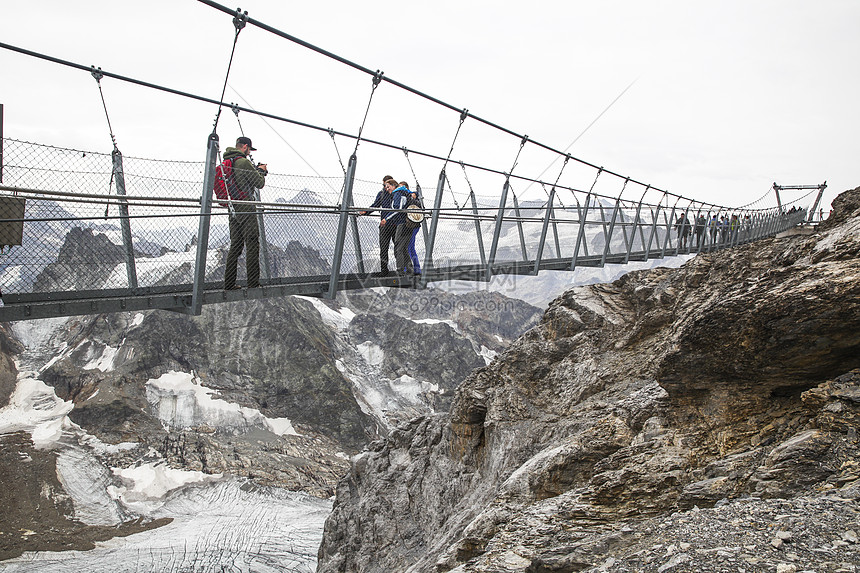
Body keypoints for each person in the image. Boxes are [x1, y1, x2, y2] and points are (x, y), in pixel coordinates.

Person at [223, 136, 268, 290]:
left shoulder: (227, 162)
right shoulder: (243, 162)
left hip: (233, 208)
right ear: (245, 147)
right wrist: (261, 172)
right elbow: (259, 183)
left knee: (235, 245)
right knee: (252, 242)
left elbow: (240, 180)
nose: (249, 153)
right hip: (246, 208)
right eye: (249, 150)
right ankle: (253, 283)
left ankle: (229, 283)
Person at [361, 176, 397, 276]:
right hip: (387, 224)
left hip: (391, 224)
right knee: (384, 248)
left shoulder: (395, 194)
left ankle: (399, 269)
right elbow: (375, 205)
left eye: (387, 185)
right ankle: (384, 270)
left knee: (397, 248)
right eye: (384, 185)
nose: (385, 187)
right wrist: (366, 212)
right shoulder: (382, 194)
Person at [385, 181, 411, 275]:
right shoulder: (405, 193)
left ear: (393, 186)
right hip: (408, 224)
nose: (387, 189)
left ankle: (400, 270)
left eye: (388, 187)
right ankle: (409, 269)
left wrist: (386, 219)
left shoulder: (397, 193)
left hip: (402, 223)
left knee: (398, 247)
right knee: (403, 247)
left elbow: (397, 209)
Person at [402, 182, 423, 275]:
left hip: (410, 226)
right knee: (411, 247)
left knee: (407, 247)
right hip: (415, 226)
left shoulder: (410, 200)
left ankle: (408, 268)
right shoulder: (416, 201)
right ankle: (416, 268)